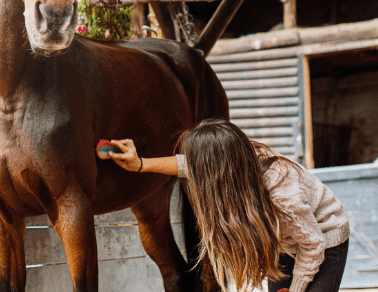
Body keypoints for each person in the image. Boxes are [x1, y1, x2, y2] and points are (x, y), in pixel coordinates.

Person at [108, 118, 350, 292]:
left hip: (324, 237)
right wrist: (140, 164)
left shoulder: (283, 196)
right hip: (286, 240)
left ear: (218, 172)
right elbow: (186, 164)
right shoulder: (237, 163)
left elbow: (313, 245)